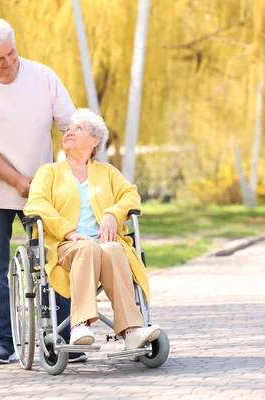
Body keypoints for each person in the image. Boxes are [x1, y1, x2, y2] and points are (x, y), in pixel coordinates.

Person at [0, 17, 84, 364]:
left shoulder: (43, 76)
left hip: (42, 192)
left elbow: (70, 125)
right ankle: (2, 341)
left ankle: (59, 338)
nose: (8, 62)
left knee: (54, 260)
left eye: (11, 52)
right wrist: (17, 181)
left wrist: (75, 164)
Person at [24, 109, 162, 349]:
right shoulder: (50, 172)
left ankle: (131, 330)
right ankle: (80, 325)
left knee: (113, 248)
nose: (69, 131)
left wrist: (112, 214)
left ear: (95, 140)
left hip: (103, 244)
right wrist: (68, 231)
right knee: (87, 247)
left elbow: (131, 196)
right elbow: (36, 204)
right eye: (68, 129)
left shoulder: (107, 172)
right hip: (65, 246)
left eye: (78, 128)